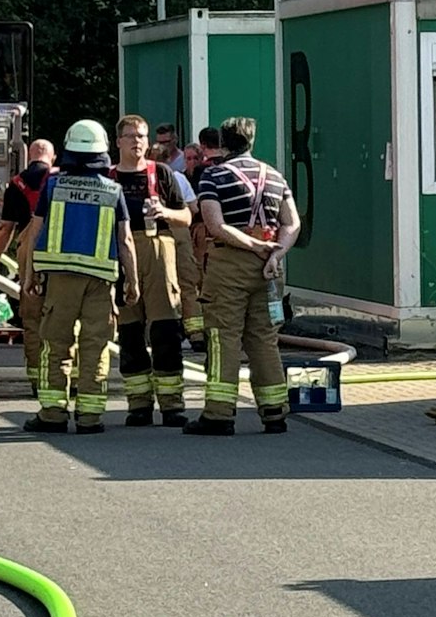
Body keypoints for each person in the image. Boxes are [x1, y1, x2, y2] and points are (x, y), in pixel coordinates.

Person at [17, 120, 137, 434]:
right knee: (95, 346)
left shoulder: (53, 187)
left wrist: (29, 275)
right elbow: (125, 240)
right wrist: (133, 281)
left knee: (56, 344)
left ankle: (53, 414)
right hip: (100, 281)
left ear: (69, 150)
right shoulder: (113, 190)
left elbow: (34, 233)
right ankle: (90, 417)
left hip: (60, 280)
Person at [188, 116, 301, 436]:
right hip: (269, 268)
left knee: (223, 337)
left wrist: (253, 246)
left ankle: (218, 414)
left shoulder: (213, 176)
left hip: (230, 265)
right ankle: (275, 412)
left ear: (222, 144)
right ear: (251, 141)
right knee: (264, 338)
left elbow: (215, 225)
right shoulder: (275, 176)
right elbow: (292, 223)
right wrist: (274, 253)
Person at [109, 115, 191, 427]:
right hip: (120, 254)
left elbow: (186, 217)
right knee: (130, 333)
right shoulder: (108, 177)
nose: (137, 141)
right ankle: (138, 404)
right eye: (131, 136)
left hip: (158, 250)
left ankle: (172, 404)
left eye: (142, 136)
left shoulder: (163, 173)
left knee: (165, 330)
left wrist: (165, 211)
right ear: (118, 141)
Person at [0, 138, 57, 393]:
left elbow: (5, 229)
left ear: (29, 157)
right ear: (53, 158)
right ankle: (63, 377)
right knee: (63, 316)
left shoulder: (17, 185)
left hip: (31, 254)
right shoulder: (61, 180)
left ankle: (38, 380)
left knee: (33, 318)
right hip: (61, 251)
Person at [176, 126, 223, 341]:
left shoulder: (202, 173)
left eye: (196, 157)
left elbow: (196, 208)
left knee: (200, 280)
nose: (193, 162)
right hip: (219, 232)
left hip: (202, 231)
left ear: (203, 147)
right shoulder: (227, 168)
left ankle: (200, 331)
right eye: (189, 159)